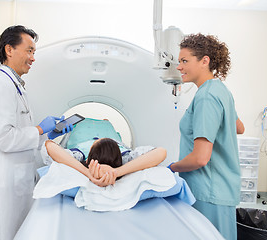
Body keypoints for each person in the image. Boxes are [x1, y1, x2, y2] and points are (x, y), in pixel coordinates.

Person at [0, 25, 71, 240]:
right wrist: (39, 129)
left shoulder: (16, 86)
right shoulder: (0, 85)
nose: (33, 58)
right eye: (29, 51)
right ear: (9, 50)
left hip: (15, 180)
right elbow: (4, 139)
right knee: (1, 234)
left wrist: (49, 135)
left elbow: (20, 136)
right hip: (2, 183)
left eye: (34, 52)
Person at [168, 33, 245, 240]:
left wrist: (171, 168)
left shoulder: (206, 97)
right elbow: (239, 127)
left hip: (208, 190)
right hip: (222, 187)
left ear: (204, 61)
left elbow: (201, 158)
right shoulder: (220, 90)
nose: (179, 67)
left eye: (185, 61)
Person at [44, 137, 167, 186]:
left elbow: (49, 145)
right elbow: (161, 152)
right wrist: (116, 172)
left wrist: (115, 172)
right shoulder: (127, 158)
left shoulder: (78, 157)